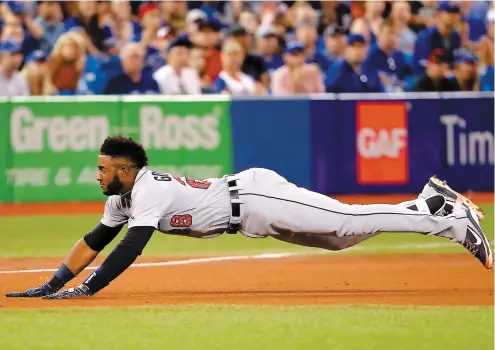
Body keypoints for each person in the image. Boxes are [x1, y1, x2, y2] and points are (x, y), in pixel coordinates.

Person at [5, 135, 491, 299]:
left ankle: (440, 213)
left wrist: (89, 288)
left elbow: (131, 247)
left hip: (256, 196)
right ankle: (430, 205)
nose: (97, 176)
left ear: (125, 170)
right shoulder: (122, 198)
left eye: (103, 169)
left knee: (345, 220)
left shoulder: (147, 187)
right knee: (343, 237)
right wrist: (52, 284)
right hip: (251, 217)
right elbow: (94, 241)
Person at [413, 2, 462, 76]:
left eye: (456, 12)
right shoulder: (426, 36)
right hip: (424, 80)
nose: (453, 16)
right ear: (439, 14)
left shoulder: (456, 37)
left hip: (448, 80)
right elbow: (422, 64)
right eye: (449, 12)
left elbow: (456, 61)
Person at [364, 20, 412, 92]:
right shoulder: (370, 54)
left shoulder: (398, 55)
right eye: (388, 33)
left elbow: (408, 77)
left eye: (394, 34)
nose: (391, 37)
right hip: (377, 98)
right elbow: (369, 82)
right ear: (380, 35)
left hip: (399, 97)